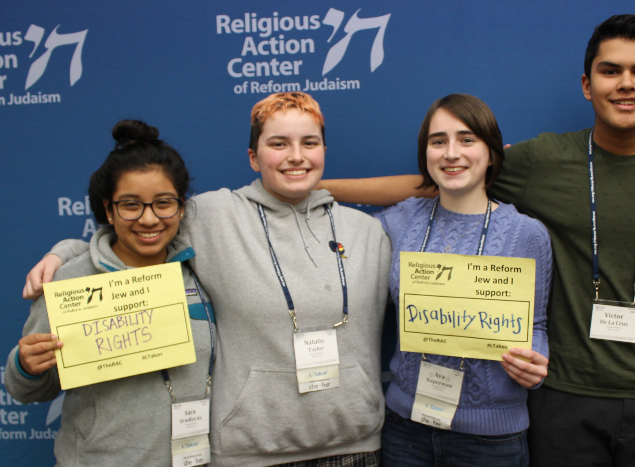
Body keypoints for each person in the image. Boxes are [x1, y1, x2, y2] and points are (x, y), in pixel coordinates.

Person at [318, 14, 635, 467]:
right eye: (610, 70)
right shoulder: (543, 159)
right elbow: (438, 180)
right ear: (586, 83)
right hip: (563, 397)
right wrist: (318, 187)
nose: (625, 84)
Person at [23, 92, 391, 467]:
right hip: (249, 450)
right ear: (253, 157)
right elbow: (138, 230)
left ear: (324, 150)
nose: (296, 155)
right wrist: (63, 253)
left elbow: (433, 191)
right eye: (278, 144)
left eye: (308, 143)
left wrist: (328, 189)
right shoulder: (209, 216)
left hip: (354, 445)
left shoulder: (368, 231)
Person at [6, 120, 216, 466]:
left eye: (163, 203)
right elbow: (29, 390)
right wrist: (26, 366)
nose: (149, 220)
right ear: (108, 210)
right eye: (131, 205)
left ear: (181, 207)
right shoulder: (68, 281)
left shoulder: (204, 270)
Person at [367, 94, 551, 466]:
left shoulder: (526, 234)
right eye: (439, 141)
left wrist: (536, 362)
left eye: (467, 140)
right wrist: (316, 185)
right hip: (406, 430)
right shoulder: (399, 222)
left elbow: (536, 325)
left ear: (492, 152)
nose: (452, 153)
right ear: (426, 154)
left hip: (490, 439)